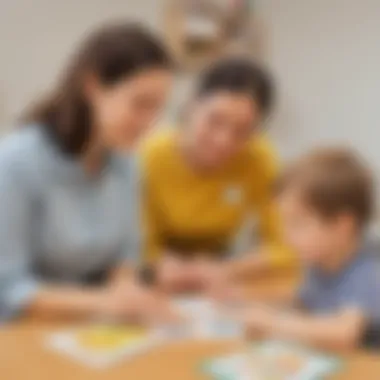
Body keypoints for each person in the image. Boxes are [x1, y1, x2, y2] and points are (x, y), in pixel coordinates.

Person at [0, 23, 174, 321]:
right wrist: (109, 303)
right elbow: (10, 289)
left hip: (92, 326)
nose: (150, 123)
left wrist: (128, 292)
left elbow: (127, 255)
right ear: (92, 87)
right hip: (23, 330)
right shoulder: (17, 162)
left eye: (157, 108)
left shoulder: (127, 161)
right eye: (140, 104)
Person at [140, 58, 294, 292]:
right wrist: (160, 267)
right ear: (192, 106)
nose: (224, 140)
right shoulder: (150, 156)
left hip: (222, 270)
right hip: (156, 275)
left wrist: (229, 269)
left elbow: (288, 247)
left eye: (243, 131)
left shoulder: (260, 159)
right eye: (215, 120)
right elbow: (136, 247)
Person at [242, 148, 380, 350]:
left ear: (342, 226)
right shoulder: (321, 258)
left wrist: (272, 322)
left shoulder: (368, 271)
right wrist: (248, 299)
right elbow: (305, 301)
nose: (286, 235)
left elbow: (344, 334)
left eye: (297, 223)